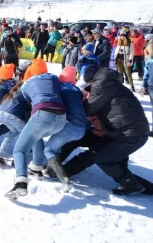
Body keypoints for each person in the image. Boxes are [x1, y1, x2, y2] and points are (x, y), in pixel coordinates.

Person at [62, 65, 150, 196]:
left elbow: (89, 108)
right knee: (95, 148)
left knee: (104, 159)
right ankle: (65, 171)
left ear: (91, 79)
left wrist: (73, 103)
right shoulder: (110, 83)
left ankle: (132, 186)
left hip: (130, 134)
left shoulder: (102, 84)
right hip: (124, 131)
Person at [5, 59, 66, 200]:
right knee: (37, 137)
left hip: (43, 115)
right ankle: (37, 167)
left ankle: (20, 183)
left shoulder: (27, 83)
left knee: (19, 150)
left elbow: (28, 100)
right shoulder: (54, 78)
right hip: (61, 119)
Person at [40, 66, 88, 189]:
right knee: (57, 148)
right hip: (82, 128)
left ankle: (63, 178)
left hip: (70, 127)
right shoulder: (77, 90)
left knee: (48, 150)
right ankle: (51, 170)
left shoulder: (60, 89)